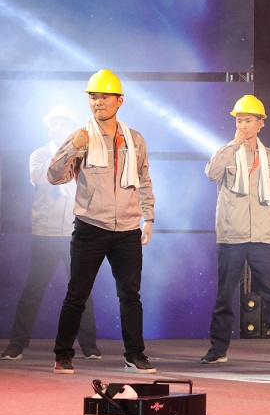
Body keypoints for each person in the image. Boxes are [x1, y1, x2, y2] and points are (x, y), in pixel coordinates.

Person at [48, 70, 155, 375]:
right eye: (93, 97)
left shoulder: (135, 139)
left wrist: (149, 217)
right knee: (77, 294)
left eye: (104, 97)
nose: (98, 102)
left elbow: (144, 180)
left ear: (119, 101)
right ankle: (63, 354)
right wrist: (73, 147)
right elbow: (54, 176)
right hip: (91, 226)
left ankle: (135, 355)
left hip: (128, 230)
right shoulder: (80, 137)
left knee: (131, 296)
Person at [1, 105, 101, 361]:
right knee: (33, 290)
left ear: (72, 129)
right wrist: (64, 152)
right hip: (45, 234)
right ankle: (16, 345)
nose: (57, 128)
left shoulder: (83, 156)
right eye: (54, 123)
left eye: (63, 124)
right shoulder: (39, 154)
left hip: (75, 233)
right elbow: (40, 177)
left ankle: (89, 345)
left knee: (81, 291)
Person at [201, 95, 270, 364]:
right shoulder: (227, 151)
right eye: (239, 120)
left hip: (262, 236)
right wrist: (233, 145)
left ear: (260, 123)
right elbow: (211, 173)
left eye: (248, 120)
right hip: (232, 235)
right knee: (225, 295)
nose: (242, 125)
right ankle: (218, 349)